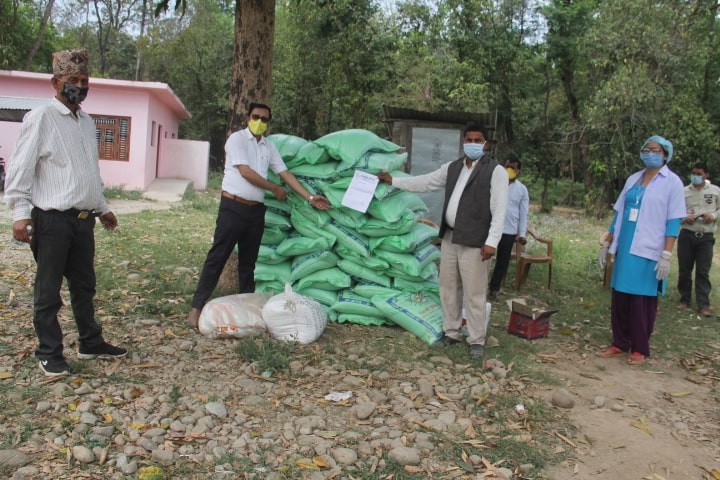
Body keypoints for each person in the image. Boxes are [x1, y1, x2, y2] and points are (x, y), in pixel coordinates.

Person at [4, 48, 127, 377]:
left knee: (85, 285)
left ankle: (90, 341)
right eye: (72, 80)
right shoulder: (42, 117)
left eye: (84, 80)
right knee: (48, 291)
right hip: (52, 220)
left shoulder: (86, 121)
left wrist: (103, 209)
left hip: (83, 221)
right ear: (55, 82)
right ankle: (49, 352)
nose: (79, 86)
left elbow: (89, 170)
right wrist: (19, 212)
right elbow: (21, 169)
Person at [186, 102, 330, 328]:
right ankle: (196, 307)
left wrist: (310, 197)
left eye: (265, 119)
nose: (260, 122)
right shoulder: (237, 139)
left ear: (268, 123)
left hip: (255, 211)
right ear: (248, 118)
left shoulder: (268, 147)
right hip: (232, 207)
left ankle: (246, 310)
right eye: (256, 117)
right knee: (217, 257)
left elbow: (285, 174)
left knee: (248, 263)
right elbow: (245, 172)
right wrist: (274, 188)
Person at [378, 125, 508, 359]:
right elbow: (425, 182)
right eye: (469, 139)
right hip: (450, 237)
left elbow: (499, 209)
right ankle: (452, 332)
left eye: (478, 140)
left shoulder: (495, 171)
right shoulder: (454, 167)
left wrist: (492, 242)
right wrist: (393, 181)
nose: (473, 143)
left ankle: (476, 339)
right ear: (463, 143)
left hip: (476, 241)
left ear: (486, 144)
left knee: (474, 292)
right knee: (448, 288)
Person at [597, 135, 685, 366]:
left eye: (655, 150)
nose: (650, 153)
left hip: (650, 248)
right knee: (621, 297)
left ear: (665, 154)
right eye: (646, 149)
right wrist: (608, 239)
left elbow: (674, 221)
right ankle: (619, 342)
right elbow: (620, 211)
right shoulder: (633, 179)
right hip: (626, 246)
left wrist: (667, 254)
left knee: (641, 300)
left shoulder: (672, 182)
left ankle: (639, 348)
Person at [677, 163, 720, 317]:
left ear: (706, 175)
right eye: (694, 173)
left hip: (706, 237)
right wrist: (684, 217)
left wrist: (713, 216)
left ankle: (703, 305)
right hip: (687, 234)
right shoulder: (683, 192)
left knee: (703, 271)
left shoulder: (715, 191)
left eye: (699, 173)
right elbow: (676, 211)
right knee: (684, 269)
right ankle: (684, 299)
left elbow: (719, 209)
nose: (695, 176)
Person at [488, 154, 529, 299]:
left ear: (518, 171)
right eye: (507, 167)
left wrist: (522, 234)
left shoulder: (522, 190)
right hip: (491, 228)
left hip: (509, 230)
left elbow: (524, 213)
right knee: (484, 258)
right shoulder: (493, 184)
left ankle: (494, 288)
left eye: (513, 168)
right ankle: (479, 286)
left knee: (502, 261)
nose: (509, 170)